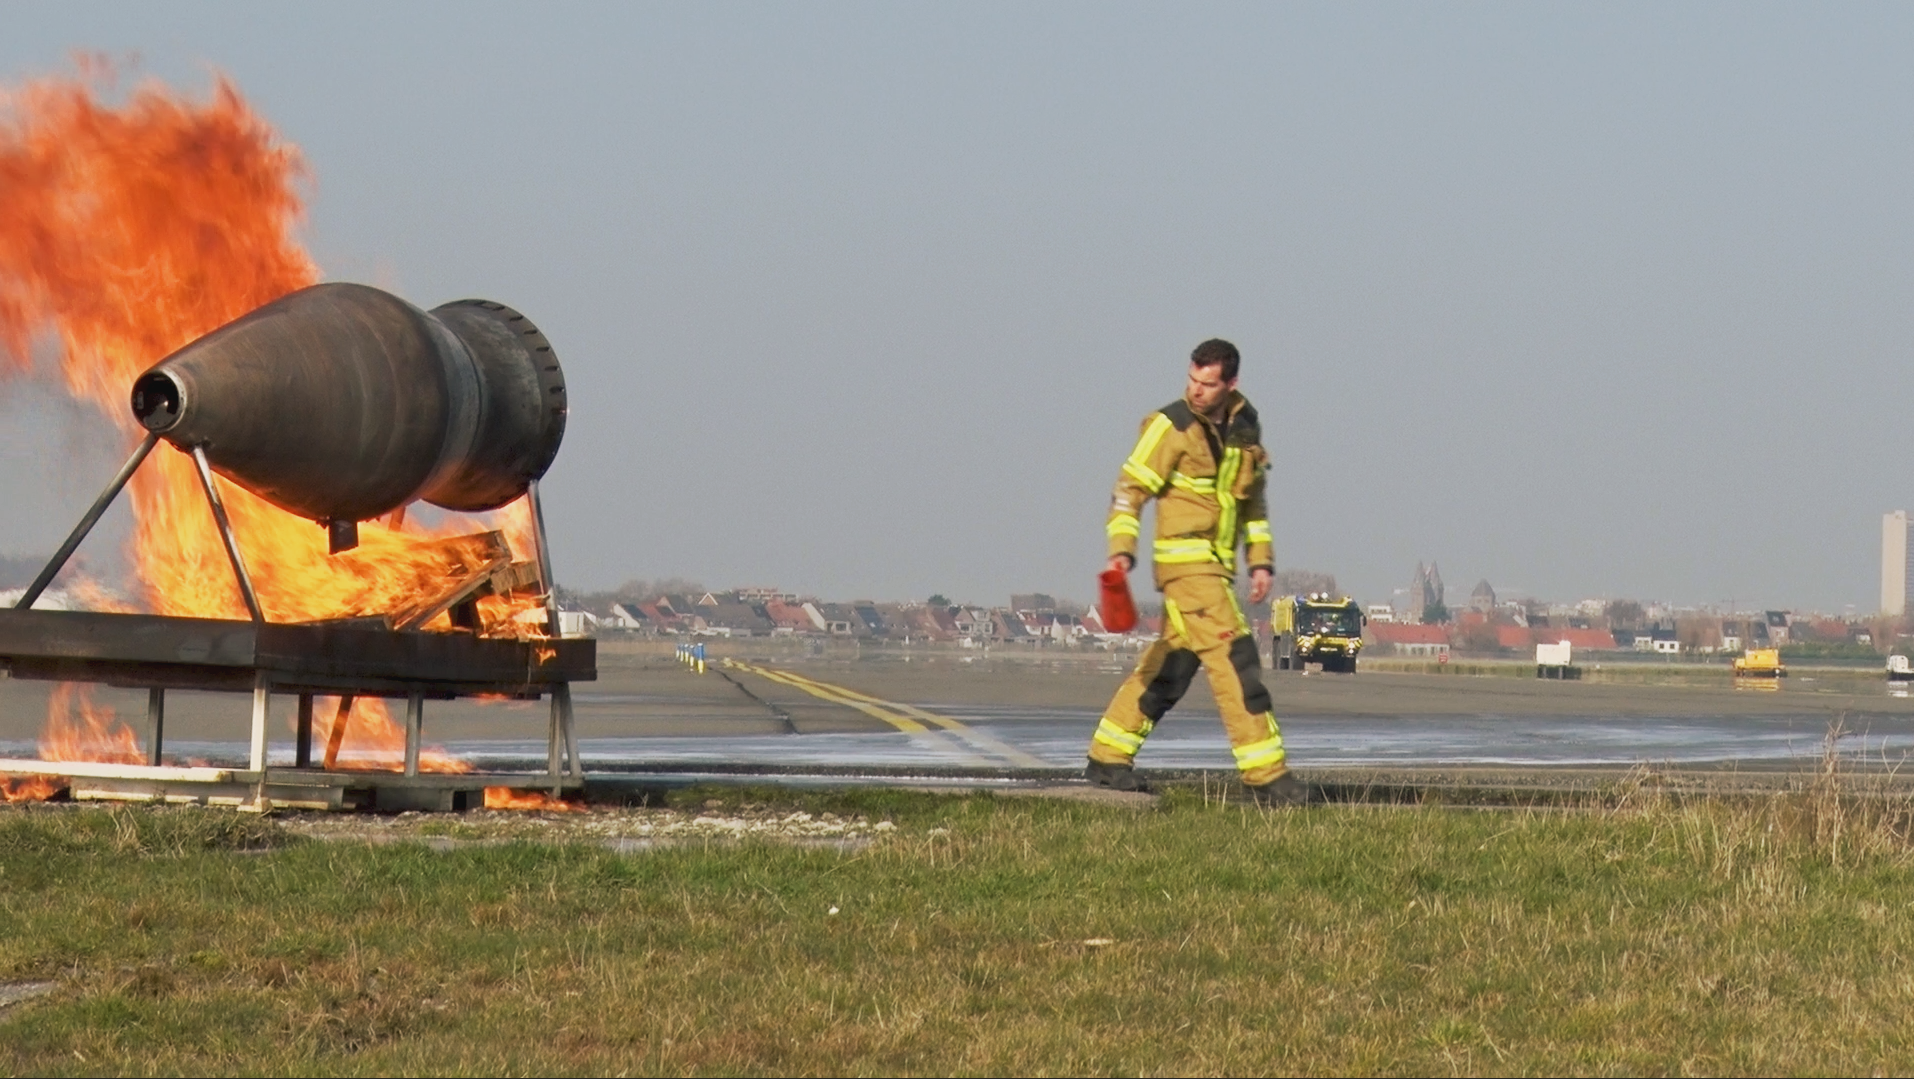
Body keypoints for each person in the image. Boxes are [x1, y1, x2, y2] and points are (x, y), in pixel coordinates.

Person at [1085, 338, 1307, 806]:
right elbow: (1129, 490)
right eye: (1192, 380)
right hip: (1187, 568)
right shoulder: (1171, 425)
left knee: (1173, 665)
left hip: (1218, 567)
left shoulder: (1245, 427)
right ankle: (1266, 775)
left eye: (1207, 384)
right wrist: (1120, 551)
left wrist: (1260, 561)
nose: (1196, 391)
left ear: (1231, 383)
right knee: (1235, 659)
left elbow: (1253, 503)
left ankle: (1108, 755)